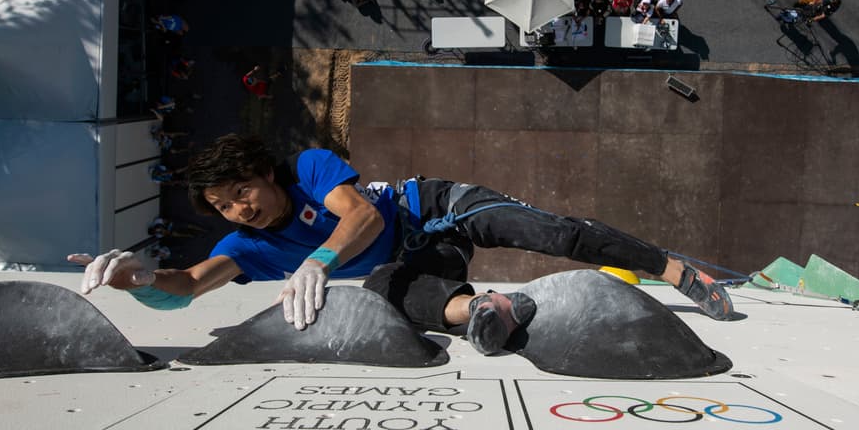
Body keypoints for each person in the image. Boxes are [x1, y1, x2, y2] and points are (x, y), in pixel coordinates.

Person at [70, 137, 735, 354]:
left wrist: (318, 259)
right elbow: (185, 286)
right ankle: (483, 313)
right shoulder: (244, 248)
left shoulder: (307, 168)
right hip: (415, 259)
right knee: (387, 294)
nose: (239, 208)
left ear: (265, 174)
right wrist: (138, 277)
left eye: (241, 190)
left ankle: (677, 269)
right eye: (222, 206)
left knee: (548, 233)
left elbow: (357, 216)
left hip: (438, 207)